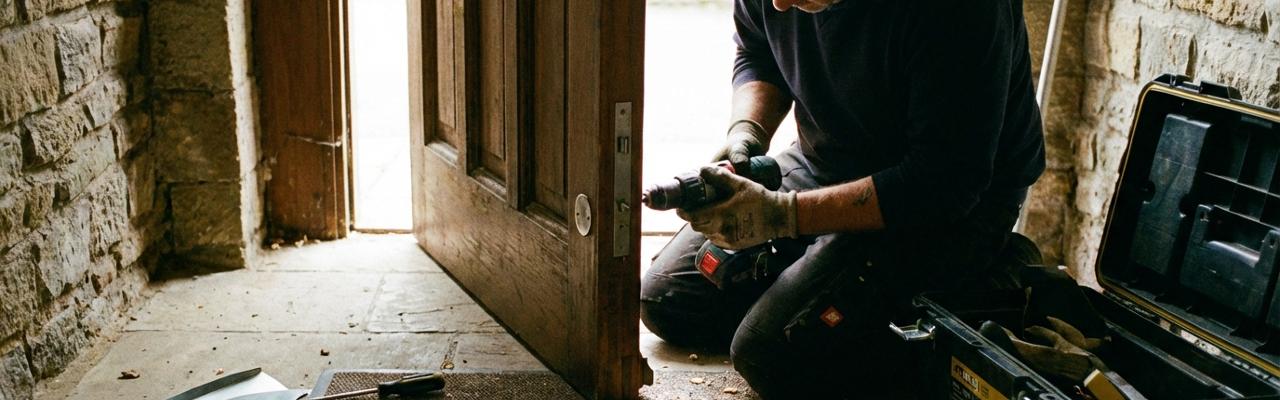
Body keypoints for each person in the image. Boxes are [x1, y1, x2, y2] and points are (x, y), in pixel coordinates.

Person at [639, 0, 1047, 397]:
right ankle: (826, 268)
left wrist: (782, 215)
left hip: (953, 203)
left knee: (771, 356)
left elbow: (944, 182)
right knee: (669, 302)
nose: (779, 4)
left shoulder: (959, 10)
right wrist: (746, 133)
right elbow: (758, 50)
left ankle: (998, 273)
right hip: (829, 159)